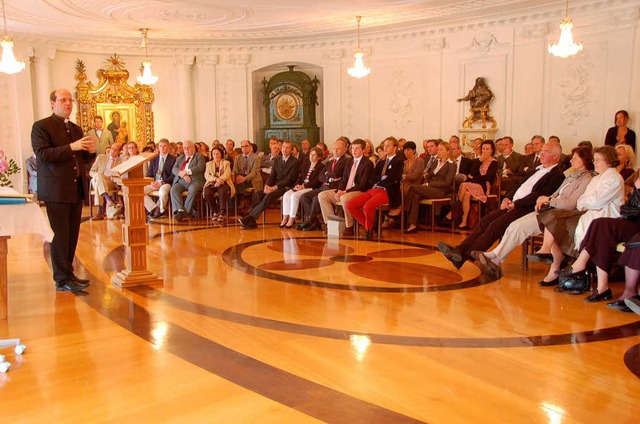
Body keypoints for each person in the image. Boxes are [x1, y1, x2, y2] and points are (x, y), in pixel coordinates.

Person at [438, 141, 565, 270]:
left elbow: (539, 195)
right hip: (512, 203)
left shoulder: (557, 175)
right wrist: (507, 198)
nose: (541, 154)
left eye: (546, 151)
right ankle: (460, 251)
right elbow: (518, 185)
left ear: (555, 156)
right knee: (485, 221)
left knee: (495, 226)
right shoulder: (536, 169)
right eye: (542, 151)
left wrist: (516, 203)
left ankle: (464, 256)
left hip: (525, 208)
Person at [473, 147, 594, 278]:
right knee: (514, 225)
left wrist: (548, 199)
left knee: (518, 226)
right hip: (550, 209)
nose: (571, 160)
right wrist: (544, 201)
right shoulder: (571, 175)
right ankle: (495, 256)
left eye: (575, 158)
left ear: (584, 160)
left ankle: (495, 257)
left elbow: (570, 203)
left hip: (562, 214)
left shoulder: (586, 179)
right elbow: (556, 193)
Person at [31, 88, 96, 292]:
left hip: (75, 189)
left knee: (72, 235)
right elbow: (43, 155)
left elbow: (81, 160)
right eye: (63, 100)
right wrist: (72, 147)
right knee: (60, 235)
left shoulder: (76, 129)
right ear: (53, 103)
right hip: (56, 190)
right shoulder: (41, 126)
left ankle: (69, 274)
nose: (68, 103)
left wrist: (91, 153)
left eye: (70, 100)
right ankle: (61, 278)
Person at [535, 146, 624, 293]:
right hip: (591, 215)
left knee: (565, 223)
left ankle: (574, 270)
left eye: (597, 160)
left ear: (608, 160)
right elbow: (582, 202)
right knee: (558, 224)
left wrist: (588, 203)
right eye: (594, 159)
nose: (594, 163)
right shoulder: (596, 178)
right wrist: (588, 203)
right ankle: (562, 268)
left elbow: (593, 202)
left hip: (607, 219)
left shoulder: (614, 178)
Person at [346, 137, 404, 240]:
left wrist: (380, 180)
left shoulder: (398, 162)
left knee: (367, 207)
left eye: (388, 146)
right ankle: (370, 226)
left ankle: (368, 230)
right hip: (373, 190)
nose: (385, 148)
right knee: (351, 204)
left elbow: (393, 179)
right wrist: (382, 177)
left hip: (387, 192)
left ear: (395, 148)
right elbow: (371, 178)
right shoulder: (381, 162)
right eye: (384, 146)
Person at [318, 139, 374, 236]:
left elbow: (362, 184)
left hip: (358, 191)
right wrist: (340, 190)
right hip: (345, 190)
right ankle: (330, 224)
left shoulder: (367, 163)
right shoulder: (349, 161)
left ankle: (349, 226)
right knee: (322, 195)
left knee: (344, 198)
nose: (354, 151)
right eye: (353, 148)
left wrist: (345, 192)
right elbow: (344, 179)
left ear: (363, 150)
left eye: (357, 148)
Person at [238, 140, 300, 229]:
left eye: (287, 148)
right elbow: (272, 176)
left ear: (291, 150)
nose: (285, 149)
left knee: (269, 196)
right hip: (274, 185)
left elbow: (289, 180)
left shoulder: (295, 162)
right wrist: (267, 186)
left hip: (286, 187)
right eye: (283, 147)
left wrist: (274, 188)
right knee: (258, 194)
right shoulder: (277, 159)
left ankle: (249, 218)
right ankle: (250, 220)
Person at [404, 141, 456, 234]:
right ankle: (413, 225)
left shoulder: (452, 165)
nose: (439, 152)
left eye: (441, 150)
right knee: (415, 196)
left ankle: (403, 210)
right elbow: (428, 175)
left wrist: (429, 184)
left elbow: (447, 183)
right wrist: (427, 182)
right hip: (430, 189)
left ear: (448, 151)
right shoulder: (436, 162)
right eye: (438, 149)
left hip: (441, 191)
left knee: (412, 187)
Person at [456, 140, 498, 229]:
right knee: (466, 194)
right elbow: (471, 173)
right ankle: (464, 221)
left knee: (464, 185)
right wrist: (480, 161)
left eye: (487, 149)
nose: (485, 151)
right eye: (483, 149)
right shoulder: (477, 160)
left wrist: (475, 178)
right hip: (473, 184)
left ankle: (456, 209)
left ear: (491, 150)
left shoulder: (494, 162)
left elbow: (488, 177)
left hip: (484, 186)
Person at [280, 147, 325, 228]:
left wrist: (304, 186)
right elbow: (300, 176)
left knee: (294, 196)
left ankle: (292, 218)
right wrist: (298, 184)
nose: (311, 156)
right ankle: (285, 217)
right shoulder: (306, 164)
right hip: (301, 186)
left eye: (314, 155)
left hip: (311, 188)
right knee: (286, 195)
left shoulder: (321, 166)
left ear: (319, 157)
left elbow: (317, 181)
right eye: (311, 154)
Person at [170, 140, 206, 222]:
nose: (186, 150)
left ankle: (185, 212)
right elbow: (174, 169)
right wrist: (181, 174)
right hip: (182, 180)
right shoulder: (180, 158)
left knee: (193, 189)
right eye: (184, 148)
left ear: (193, 148)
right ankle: (179, 210)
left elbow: (200, 167)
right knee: (174, 189)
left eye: (188, 148)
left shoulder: (199, 156)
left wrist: (186, 172)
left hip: (196, 181)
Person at [89, 142, 124, 220]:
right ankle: (108, 198)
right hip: (99, 180)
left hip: (112, 182)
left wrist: (111, 178)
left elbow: (121, 176)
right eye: (112, 148)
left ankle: (100, 211)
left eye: (115, 150)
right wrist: (101, 176)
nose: (112, 151)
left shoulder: (121, 161)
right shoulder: (101, 157)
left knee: (98, 182)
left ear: (119, 152)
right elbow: (91, 172)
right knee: (98, 177)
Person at [145, 139, 176, 219]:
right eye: (160, 146)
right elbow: (149, 174)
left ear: (169, 148)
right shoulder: (154, 159)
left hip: (166, 182)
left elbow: (173, 176)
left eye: (165, 146)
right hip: (154, 182)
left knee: (162, 192)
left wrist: (162, 182)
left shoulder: (173, 159)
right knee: (139, 191)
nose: (162, 148)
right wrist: (152, 182)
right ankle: (153, 208)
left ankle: (161, 211)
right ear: (158, 147)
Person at [203, 146, 235, 223]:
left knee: (222, 191)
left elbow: (227, 174)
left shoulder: (226, 163)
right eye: (214, 154)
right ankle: (215, 211)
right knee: (207, 192)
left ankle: (221, 212)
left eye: (217, 153)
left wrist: (220, 180)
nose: (216, 155)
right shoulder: (209, 164)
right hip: (212, 183)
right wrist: (215, 179)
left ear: (221, 154)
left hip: (224, 182)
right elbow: (207, 175)